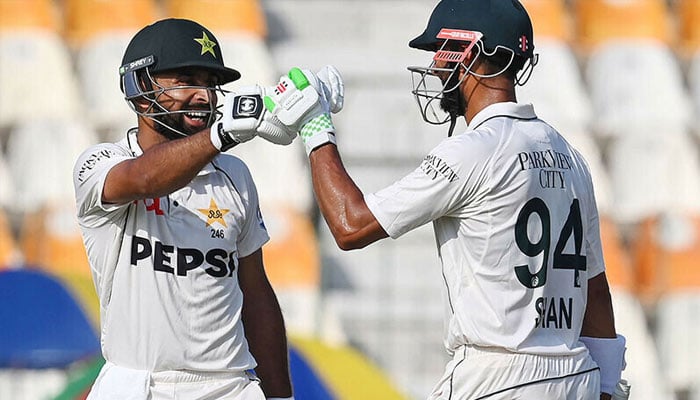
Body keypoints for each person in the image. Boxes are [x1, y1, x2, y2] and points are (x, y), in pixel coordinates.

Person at [257, 0, 628, 399]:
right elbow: (596, 290)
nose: (434, 66)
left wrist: (316, 128)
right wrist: (606, 386)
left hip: (499, 377)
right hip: (576, 376)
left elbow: (351, 225)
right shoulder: (571, 156)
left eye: (440, 51)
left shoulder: (473, 150)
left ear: (469, 52)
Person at [72, 18, 295, 400]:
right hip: (138, 385)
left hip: (230, 386)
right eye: (187, 80)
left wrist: (280, 395)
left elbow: (255, 293)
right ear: (141, 89)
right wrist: (220, 134)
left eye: (210, 84)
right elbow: (142, 179)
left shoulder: (234, 175)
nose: (205, 97)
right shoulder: (101, 162)